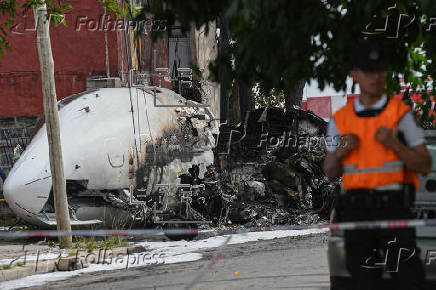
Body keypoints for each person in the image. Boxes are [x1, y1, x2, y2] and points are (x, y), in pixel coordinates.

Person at [323, 42, 431, 290]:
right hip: (357, 214)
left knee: (408, 281)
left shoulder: (402, 116)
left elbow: (424, 165)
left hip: (395, 212)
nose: (376, 77)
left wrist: (396, 145)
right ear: (355, 74)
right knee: (362, 283)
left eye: (380, 70)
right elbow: (329, 172)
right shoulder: (340, 120)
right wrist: (341, 151)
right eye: (368, 70)